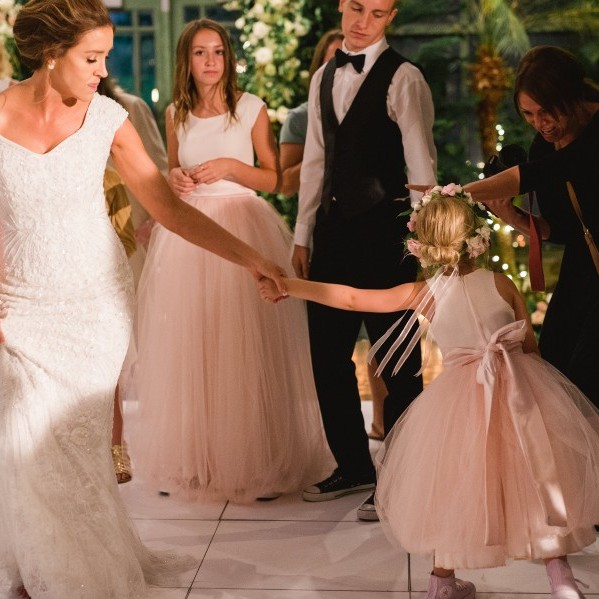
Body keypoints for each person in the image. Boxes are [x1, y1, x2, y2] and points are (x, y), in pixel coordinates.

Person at [0, 1, 287, 596]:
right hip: (18, 303)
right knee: (21, 442)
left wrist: (252, 257)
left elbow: (169, 210)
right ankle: (37, 569)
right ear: (51, 54)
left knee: (68, 445)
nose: (104, 71)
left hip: (94, 307)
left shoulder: (108, 119)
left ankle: (54, 578)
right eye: (92, 58)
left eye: (105, 57)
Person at [260, 185, 599, 599]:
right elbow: (530, 347)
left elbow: (350, 298)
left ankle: (442, 583)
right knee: (537, 478)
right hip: (521, 391)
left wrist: (290, 286)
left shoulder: (425, 293)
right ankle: (560, 578)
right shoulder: (502, 283)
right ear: (476, 235)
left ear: (422, 244)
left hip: (459, 404)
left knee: (455, 487)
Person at [129, 19, 332, 504]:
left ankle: (255, 462)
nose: (211, 61)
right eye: (200, 52)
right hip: (191, 235)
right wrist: (175, 178)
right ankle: (197, 461)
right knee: (193, 347)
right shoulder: (176, 113)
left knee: (244, 345)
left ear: (229, 57)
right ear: (187, 59)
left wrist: (231, 168)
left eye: (218, 51)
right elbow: (172, 169)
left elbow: (275, 178)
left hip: (242, 223)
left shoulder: (251, 108)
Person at [293, 0, 437, 520]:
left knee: (398, 361)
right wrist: (303, 234)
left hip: (387, 238)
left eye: (376, 13)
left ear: (391, 16)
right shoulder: (323, 77)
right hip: (331, 236)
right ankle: (354, 465)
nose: (362, 22)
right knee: (327, 358)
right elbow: (315, 161)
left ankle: (400, 476)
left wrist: (426, 241)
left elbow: (421, 164)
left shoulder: (405, 78)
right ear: (341, 4)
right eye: (356, 8)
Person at [458, 45, 599, 409]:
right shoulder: (543, 147)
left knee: (587, 375)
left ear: (571, 96)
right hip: (585, 265)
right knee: (553, 366)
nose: (541, 123)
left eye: (548, 110)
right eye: (529, 114)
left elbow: (548, 171)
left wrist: (455, 193)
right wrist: (512, 216)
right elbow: (565, 230)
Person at [279, 28, 343, 196]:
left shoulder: (378, 113)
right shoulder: (300, 118)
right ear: (319, 69)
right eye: (334, 63)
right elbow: (286, 185)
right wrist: (326, 154)